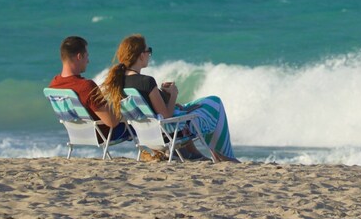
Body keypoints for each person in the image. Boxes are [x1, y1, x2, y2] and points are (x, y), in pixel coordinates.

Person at [100, 34, 239, 162]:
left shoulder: (120, 83)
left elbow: (154, 110)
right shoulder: (146, 81)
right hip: (173, 131)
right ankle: (225, 156)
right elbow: (166, 116)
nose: (149, 54)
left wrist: (164, 96)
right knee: (216, 105)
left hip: (149, 136)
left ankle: (212, 155)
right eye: (148, 51)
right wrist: (173, 94)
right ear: (141, 55)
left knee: (206, 102)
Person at [48, 36, 130, 145]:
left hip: (76, 135)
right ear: (79, 57)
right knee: (137, 127)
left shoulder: (54, 85)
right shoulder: (86, 87)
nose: (88, 61)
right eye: (87, 56)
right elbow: (112, 122)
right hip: (101, 136)